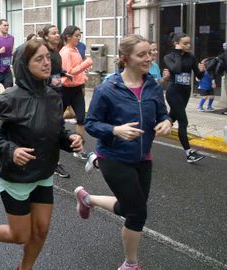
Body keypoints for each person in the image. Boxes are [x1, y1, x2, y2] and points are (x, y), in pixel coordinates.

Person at [0, 39, 83, 269]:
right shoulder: (8, 99)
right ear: (23, 64)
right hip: (16, 177)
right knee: (20, 235)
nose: (46, 63)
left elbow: (57, 131)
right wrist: (11, 151)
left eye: (47, 58)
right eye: (38, 59)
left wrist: (70, 140)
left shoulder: (53, 96)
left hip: (43, 173)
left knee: (41, 230)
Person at [77, 34, 172, 270]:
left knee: (131, 207)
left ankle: (88, 199)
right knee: (137, 213)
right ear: (125, 58)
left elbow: (162, 114)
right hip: (113, 158)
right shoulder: (107, 89)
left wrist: (166, 122)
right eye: (142, 55)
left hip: (143, 157)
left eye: (149, 53)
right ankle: (130, 264)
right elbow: (90, 124)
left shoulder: (152, 86)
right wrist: (115, 130)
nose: (148, 58)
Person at [163, 32, 205, 163]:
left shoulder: (191, 57)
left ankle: (153, 130)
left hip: (185, 93)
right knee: (183, 122)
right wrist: (178, 53)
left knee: (173, 117)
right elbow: (176, 69)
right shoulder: (168, 57)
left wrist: (202, 70)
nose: (189, 45)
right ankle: (189, 154)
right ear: (176, 44)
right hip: (173, 92)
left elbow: (199, 76)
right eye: (185, 43)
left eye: (189, 43)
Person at [38, 24, 72, 179]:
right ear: (46, 36)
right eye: (54, 33)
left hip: (57, 93)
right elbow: (42, 73)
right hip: (46, 95)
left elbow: (55, 71)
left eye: (58, 32)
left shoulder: (56, 51)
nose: (57, 35)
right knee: (49, 128)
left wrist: (64, 74)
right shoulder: (45, 52)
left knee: (56, 127)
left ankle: (52, 161)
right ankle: (51, 162)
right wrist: (50, 83)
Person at [59, 25, 93, 159]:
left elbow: (77, 69)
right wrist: (86, 64)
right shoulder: (65, 52)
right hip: (65, 89)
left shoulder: (75, 49)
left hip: (77, 89)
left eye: (80, 35)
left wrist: (84, 72)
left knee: (81, 118)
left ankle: (79, 149)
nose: (79, 38)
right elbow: (68, 73)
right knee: (56, 119)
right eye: (76, 36)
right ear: (68, 37)